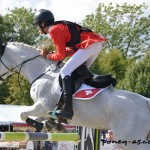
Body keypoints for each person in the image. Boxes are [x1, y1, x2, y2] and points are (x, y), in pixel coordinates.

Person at [34, 9, 107, 120]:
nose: (38, 28)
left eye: (38, 24)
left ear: (43, 23)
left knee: (65, 71)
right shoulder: (58, 27)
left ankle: (67, 109)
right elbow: (70, 51)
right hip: (95, 44)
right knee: (78, 72)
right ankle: (84, 103)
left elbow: (61, 55)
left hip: (90, 45)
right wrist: (52, 53)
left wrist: (48, 56)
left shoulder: (54, 29)